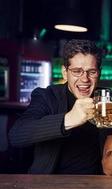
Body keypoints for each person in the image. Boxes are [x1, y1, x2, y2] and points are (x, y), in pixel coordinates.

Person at [9, 39, 104, 174]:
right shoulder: (47, 96)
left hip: (96, 185)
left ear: (99, 73)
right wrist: (68, 119)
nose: (85, 79)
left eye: (92, 72)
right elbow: (16, 135)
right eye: (77, 71)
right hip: (50, 185)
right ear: (65, 72)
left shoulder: (107, 100)